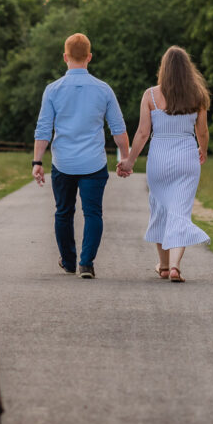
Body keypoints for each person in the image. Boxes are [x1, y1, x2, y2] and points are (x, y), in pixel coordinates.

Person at [33, 33, 130, 279]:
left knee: (63, 212)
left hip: (63, 163)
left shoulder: (52, 90)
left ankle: (68, 262)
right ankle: (86, 264)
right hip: (93, 163)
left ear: (65, 57)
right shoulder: (103, 89)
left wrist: (37, 162)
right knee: (93, 213)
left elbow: (43, 129)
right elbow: (118, 129)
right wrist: (126, 159)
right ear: (89, 57)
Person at [117, 46, 210, 283]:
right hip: (187, 158)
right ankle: (175, 265)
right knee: (181, 212)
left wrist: (129, 161)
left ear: (164, 69)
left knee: (160, 208)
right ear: (187, 70)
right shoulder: (198, 95)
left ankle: (165, 266)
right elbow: (202, 131)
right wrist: (203, 149)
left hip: (159, 159)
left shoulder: (150, 95)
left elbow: (142, 133)